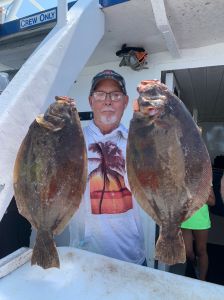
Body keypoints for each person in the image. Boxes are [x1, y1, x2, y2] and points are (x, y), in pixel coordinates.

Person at [68, 69, 146, 266]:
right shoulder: (71, 140)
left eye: (115, 95)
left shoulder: (140, 140)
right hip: (83, 255)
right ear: (91, 100)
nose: (108, 101)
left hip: (132, 255)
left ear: (126, 102)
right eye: (100, 94)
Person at [180, 188, 215, 280]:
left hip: (201, 220)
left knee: (201, 251)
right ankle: (194, 262)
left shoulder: (204, 179)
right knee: (188, 252)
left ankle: (202, 281)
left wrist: (198, 194)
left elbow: (212, 201)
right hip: (185, 219)